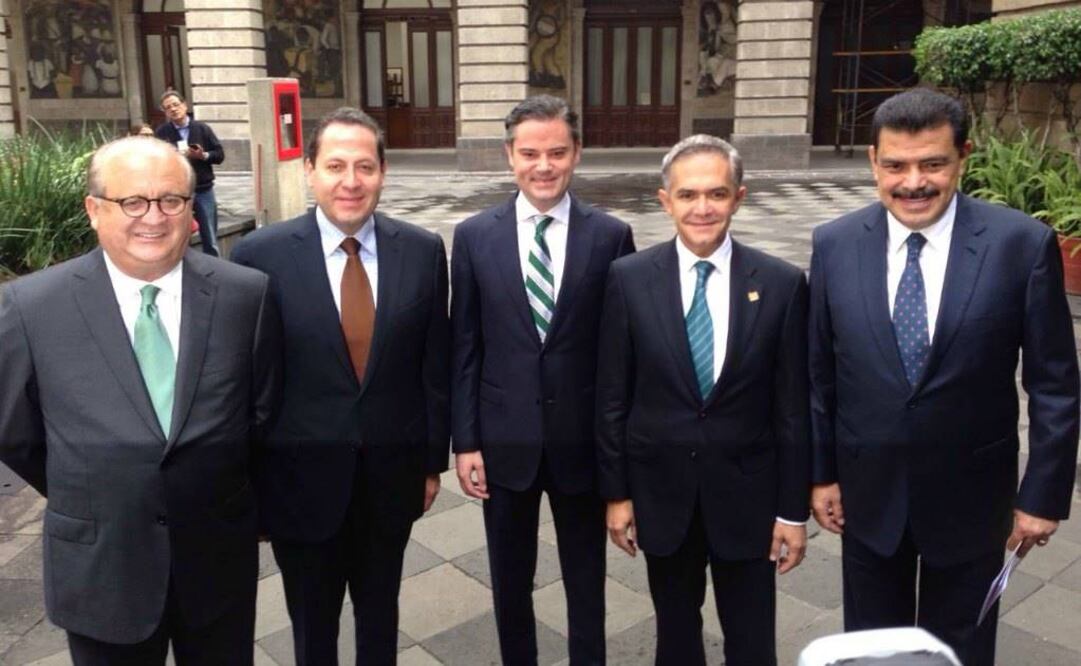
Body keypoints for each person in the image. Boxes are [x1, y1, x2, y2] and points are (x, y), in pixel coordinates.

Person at [808, 88, 1081, 666]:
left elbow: (1055, 384)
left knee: (961, 651)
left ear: (964, 157)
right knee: (870, 652)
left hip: (974, 502)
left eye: (932, 163)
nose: (914, 183)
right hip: (867, 498)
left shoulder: (1020, 244)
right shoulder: (833, 245)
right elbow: (820, 376)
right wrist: (821, 474)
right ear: (872, 163)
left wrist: (1042, 496)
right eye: (896, 165)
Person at [0, 136, 281, 665]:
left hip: (216, 565)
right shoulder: (32, 307)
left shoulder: (246, 295)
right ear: (93, 209)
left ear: (190, 209)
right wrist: (96, 483)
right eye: (132, 201)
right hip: (101, 569)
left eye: (171, 200)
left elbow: (259, 417)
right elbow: (15, 433)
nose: (152, 217)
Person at [231, 107, 449, 666]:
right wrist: (253, 487)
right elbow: (250, 380)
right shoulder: (261, 256)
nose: (350, 181)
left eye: (364, 166)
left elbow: (433, 365)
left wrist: (430, 463)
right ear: (309, 169)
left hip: (390, 478)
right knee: (312, 628)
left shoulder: (422, 251)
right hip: (299, 483)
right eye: (334, 166)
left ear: (383, 172)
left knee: (381, 620)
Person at [597, 134, 810, 666]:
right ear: (664, 200)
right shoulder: (628, 279)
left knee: (752, 638)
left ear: (739, 197)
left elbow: (792, 408)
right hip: (661, 496)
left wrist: (792, 511)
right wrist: (617, 495)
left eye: (716, 194)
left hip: (750, 500)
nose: (702, 208)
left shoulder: (782, 285)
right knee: (675, 636)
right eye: (688, 195)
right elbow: (612, 398)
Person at [451, 95, 634, 665]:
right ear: (510, 156)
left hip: (581, 441)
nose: (544, 165)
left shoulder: (610, 236)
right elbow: (466, 346)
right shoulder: (475, 235)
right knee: (509, 579)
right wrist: (467, 441)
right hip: (504, 441)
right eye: (530, 153)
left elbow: (619, 356)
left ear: (577, 153)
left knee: (587, 579)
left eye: (557, 152)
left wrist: (618, 453)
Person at [155, 90, 224, 257]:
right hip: (176, 192)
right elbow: (156, 161)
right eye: (168, 107)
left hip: (202, 189)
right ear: (165, 112)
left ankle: (215, 272)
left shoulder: (202, 129)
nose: (173, 109)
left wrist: (203, 155)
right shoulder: (162, 132)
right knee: (177, 236)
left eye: (176, 105)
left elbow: (219, 155)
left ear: (184, 106)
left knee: (210, 238)